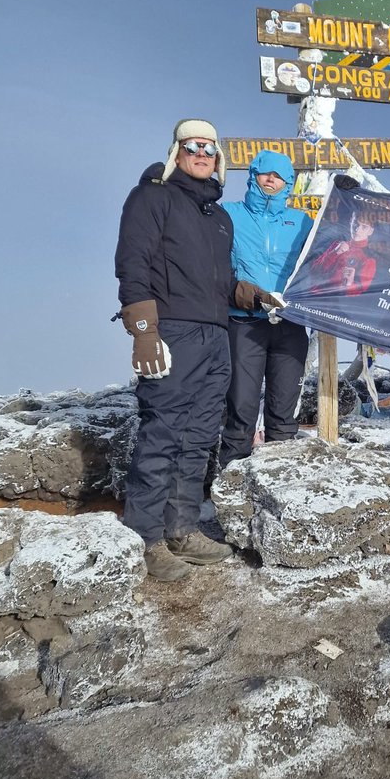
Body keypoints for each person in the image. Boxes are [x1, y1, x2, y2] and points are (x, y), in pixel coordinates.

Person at [115, 119, 237, 582]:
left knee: (200, 436)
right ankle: (146, 538)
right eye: (193, 146)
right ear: (177, 152)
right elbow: (132, 261)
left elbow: (217, 281)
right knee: (163, 432)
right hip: (174, 332)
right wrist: (144, 329)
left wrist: (246, 294)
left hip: (216, 335)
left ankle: (183, 528)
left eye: (209, 148)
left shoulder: (218, 217)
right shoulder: (152, 196)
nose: (202, 153)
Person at [218, 150, 313, 465]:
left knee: (283, 410)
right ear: (253, 175)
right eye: (266, 173)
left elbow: (326, 259)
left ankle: (278, 479)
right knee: (241, 408)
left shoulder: (302, 222)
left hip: (290, 324)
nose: (272, 180)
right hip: (244, 323)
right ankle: (231, 483)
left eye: (280, 176)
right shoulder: (229, 214)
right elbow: (214, 266)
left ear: (289, 183)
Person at [313, 215, 377, 295]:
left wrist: (349, 284)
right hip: (312, 294)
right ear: (350, 222)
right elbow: (314, 270)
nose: (357, 230)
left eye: (364, 227)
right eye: (355, 224)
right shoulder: (337, 244)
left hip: (333, 301)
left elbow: (361, 293)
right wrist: (335, 253)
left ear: (370, 231)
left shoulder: (369, 258)